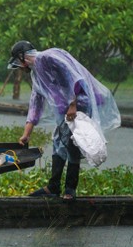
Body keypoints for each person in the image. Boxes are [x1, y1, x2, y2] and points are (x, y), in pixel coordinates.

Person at [8, 41, 120, 201]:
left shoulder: (47, 58)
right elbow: (35, 103)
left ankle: (69, 188)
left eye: (18, 63)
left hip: (78, 104)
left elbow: (70, 76)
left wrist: (72, 104)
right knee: (59, 141)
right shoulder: (36, 76)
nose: (19, 67)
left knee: (72, 143)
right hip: (65, 109)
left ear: (22, 57)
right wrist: (26, 134)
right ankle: (54, 186)